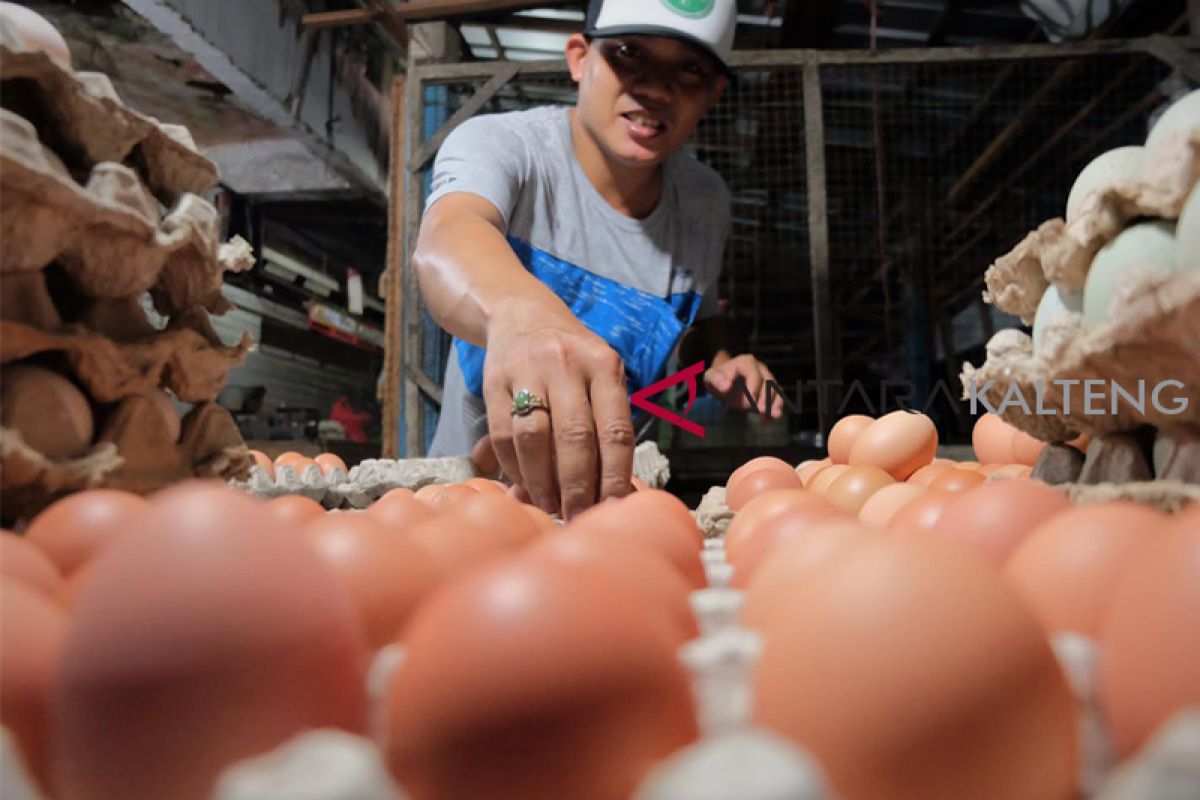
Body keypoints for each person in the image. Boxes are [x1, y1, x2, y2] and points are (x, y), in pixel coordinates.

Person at [415, 0, 784, 519]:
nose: (656, 88)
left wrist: (720, 361)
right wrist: (521, 317)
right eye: (629, 53)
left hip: (618, 512)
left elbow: (695, 325)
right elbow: (448, 237)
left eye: (689, 69)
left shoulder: (706, 202)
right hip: (481, 510)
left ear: (713, 94)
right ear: (579, 58)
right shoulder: (505, 147)